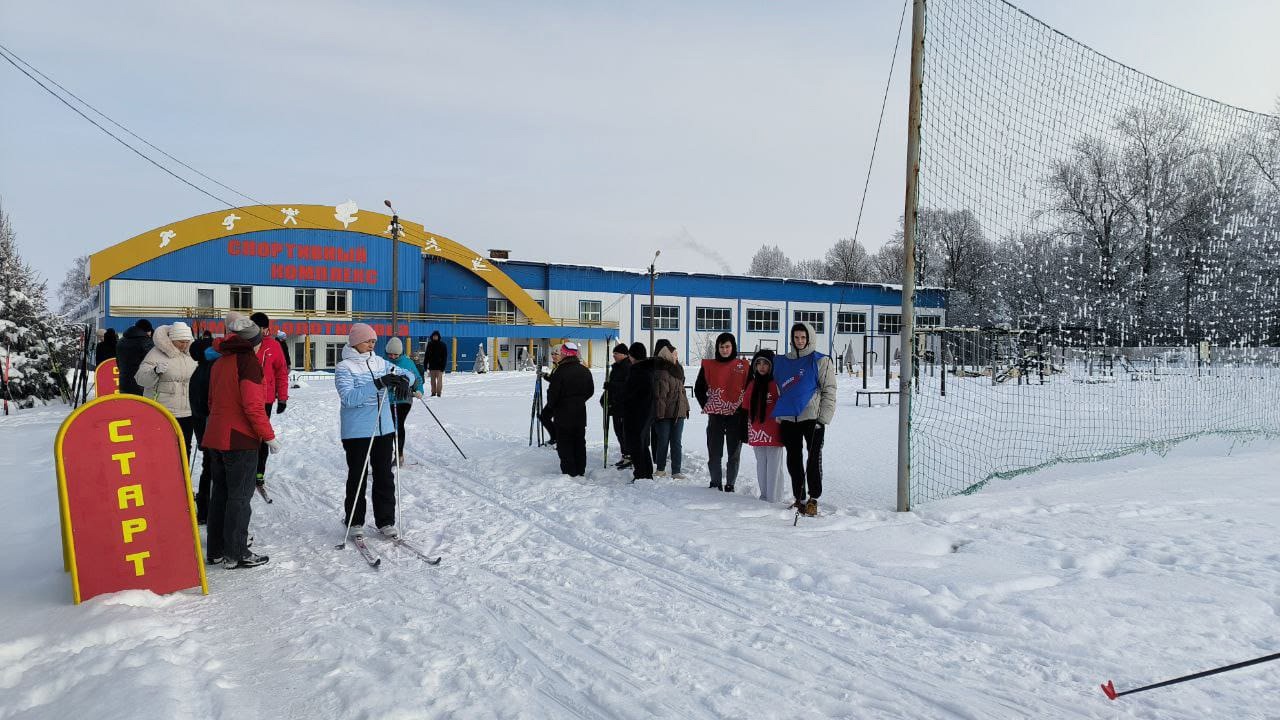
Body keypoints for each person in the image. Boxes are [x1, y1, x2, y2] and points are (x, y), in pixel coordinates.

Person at [203, 316, 277, 569]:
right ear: (253, 342)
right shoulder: (249, 364)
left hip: (216, 435)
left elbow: (212, 401)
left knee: (220, 495)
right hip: (240, 439)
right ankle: (236, 552)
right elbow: (253, 405)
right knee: (239, 497)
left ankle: (216, 549)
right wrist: (268, 436)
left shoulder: (221, 361)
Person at [335, 323, 413, 539]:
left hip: (383, 428)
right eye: (367, 341)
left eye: (374, 342)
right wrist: (378, 383)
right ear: (355, 342)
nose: (371, 345)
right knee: (358, 476)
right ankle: (355, 520)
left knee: (384, 475)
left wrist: (406, 380)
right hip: (357, 431)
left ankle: (386, 521)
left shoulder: (379, 362)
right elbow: (349, 398)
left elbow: (407, 372)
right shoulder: (345, 367)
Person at [773, 322, 838, 517]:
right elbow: (778, 387)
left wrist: (823, 419)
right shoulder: (783, 361)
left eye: (803, 337)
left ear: (809, 338)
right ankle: (799, 498)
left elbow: (829, 390)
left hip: (812, 418)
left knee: (813, 458)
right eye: (796, 337)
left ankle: (813, 498)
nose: (800, 341)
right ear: (792, 339)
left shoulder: (820, 361)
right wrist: (780, 414)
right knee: (793, 459)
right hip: (788, 419)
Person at [694, 332, 749, 491]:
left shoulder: (743, 366)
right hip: (716, 416)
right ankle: (715, 482)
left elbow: (750, 389)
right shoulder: (709, 365)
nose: (724, 350)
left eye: (727, 347)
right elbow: (699, 388)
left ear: (733, 347)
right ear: (717, 348)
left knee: (734, 453)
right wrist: (707, 405)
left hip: (736, 416)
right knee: (714, 452)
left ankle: (730, 484)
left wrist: (742, 409)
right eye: (721, 347)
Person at [136, 322, 198, 456]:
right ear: (172, 340)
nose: (184, 345)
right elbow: (140, 378)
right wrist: (155, 371)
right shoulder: (156, 353)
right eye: (181, 342)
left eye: (187, 341)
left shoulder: (192, 354)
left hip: (187, 411)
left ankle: (182, 476)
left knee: (184, 446)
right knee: (163, 448)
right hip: (163, 410)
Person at [249, 313, 289, 490]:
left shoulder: (273, 345)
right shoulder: (244, 344)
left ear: (266, 329)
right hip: (245, 397)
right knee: (246, 435)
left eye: (258, 328)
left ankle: (259, 472)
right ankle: (246, 471)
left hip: (265, 398)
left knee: (262, 435)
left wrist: (282, 398)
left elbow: (281, 372)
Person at [743, 349, 785, 503]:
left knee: (774, 466)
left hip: (774, 431)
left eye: (765, 364)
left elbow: (783, 405)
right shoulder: (752, 384)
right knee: (761, 465)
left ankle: (774, 498)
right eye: (758, 363)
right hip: (757, 431)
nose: (761, 367)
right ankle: (764, 495)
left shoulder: (777, 384)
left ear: (771, 366)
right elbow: (746, 406)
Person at [545, 342, 594, 476]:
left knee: (565, 442)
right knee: (579, 441)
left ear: (565, 354)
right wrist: (579, 400)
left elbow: (553, 393)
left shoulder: (560, 371)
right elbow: (590, 391)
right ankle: (580, 469)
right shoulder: (584, 370)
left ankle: (569, 471)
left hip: (563, 413)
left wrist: (553, 405)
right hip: (580, 412)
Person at [188, 330, 219, 523]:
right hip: (211, 428)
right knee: (213, 470)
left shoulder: (197, 372)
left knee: (208, 467)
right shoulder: (211, 371)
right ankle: (209, 511)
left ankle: (204, 511)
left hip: (203, 429)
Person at [651, 339, 689, 479]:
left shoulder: (678, 370)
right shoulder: (662, 372)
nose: (676, 356)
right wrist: (659, 415)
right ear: (667, 355)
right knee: (663, 441)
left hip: (679, 412)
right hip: (665, 414)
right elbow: (660, 396)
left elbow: (682, 391)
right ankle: (660, 468)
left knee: (676, 442)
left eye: (677, 354)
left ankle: (676, 471)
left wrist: (686, 408)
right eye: (674, 354)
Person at [384, 336, 424, 467]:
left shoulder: (407, 363)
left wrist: (419, 390)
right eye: (390, 354)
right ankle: (387, 454)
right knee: (388, 426)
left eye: (396, 354)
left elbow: (417, 378)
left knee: (398, 423)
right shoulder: (382, 361)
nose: (393, 357)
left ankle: (399, 455)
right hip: (387, 399)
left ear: (401, 353)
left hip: (404, 399)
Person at [622, 342, 656, 481]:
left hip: (636, 413)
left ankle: (641, 474)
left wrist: (622, 399)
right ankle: (646, 472)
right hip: (646, 412)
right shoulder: (647, 369)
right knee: (642, 444)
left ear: (632, 356)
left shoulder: (637, 371)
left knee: (636, 445)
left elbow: (632, 394)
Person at [602, 343, 632, 469]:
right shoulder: (616, 367)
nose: (614, 356)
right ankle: (625, 454)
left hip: (623, 406)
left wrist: (611, 386)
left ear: (624, 354)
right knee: (618, 431)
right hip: (615, 404)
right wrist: (605, 397)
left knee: (623, 432)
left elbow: (627, 386)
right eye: (613, 354)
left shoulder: (627, 367)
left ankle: (629, 456)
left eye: (616, 354)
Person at [116, 319, 154, 395]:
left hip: (123, 383)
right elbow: (152, 363)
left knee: (127, 406)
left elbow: (118, 363)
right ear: (147, 330)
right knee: (141, 406)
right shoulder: (146, 342)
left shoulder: (121, 341)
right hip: (141, 386)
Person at [538, 346, 562, 446]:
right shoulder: (556, 366)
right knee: (544, 416)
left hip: (560, 400)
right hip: (553, 399)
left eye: (556, 354)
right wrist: (544, 375)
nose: (553, 356)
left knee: (558, 421)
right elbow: (554, 379)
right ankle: (555, 437)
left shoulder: (562, 367)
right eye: (552, 354)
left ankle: (559, 440)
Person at [425, 330, 448, 396]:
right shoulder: (429, 344)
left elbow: (445, 357)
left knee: (439, 381)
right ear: (432, 337)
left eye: (436, 336)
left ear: (438, 337)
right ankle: (433, 392)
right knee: (432, 381)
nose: (435, 337)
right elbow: (427, 355)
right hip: (432, 367)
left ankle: (439, 393)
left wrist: (443, 367)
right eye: (434, 336)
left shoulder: (443, 345)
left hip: (440, 367)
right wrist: (425, 364)